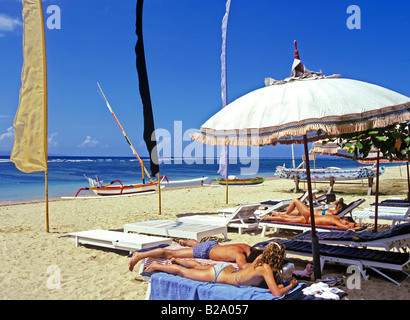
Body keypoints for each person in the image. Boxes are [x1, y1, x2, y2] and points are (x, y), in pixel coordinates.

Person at [144, 241, 298, 298]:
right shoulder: (266, 269)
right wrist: (291, 285)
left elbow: (272, 288)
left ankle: (176, 259)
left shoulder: (260, 261)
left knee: (199, 267)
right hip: (219, 275)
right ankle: (156, 266)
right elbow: (277, 293)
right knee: (182, 272)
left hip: (227, 269)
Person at [128, 239, 263, 272]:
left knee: (198, 245)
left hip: (212, 244)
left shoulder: (245, 246)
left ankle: (184, 242)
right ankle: (139, 255)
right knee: (169, 253)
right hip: (205, 252)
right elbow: (245, 267)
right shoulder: (240, 255)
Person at [261, 199, 360, 229]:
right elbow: (344, 225)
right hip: (310, 217)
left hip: (309, 219)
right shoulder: (336, 218)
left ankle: (269, 217)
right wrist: (356, 225)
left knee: (289, 217)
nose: (344, 222)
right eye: (346, 222)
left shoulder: (336, 218)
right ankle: (270, 217)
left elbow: (344, 226)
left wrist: (354, 225)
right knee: (290, 217)